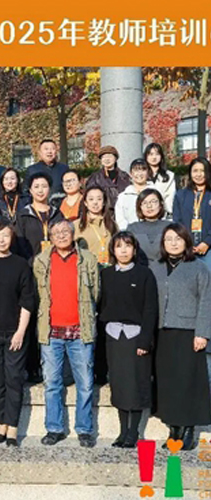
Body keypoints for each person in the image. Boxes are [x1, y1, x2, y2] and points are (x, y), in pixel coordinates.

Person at [33, 219, 99, 448]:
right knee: (52, 382)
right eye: (56, 232)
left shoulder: (88, 259)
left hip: (81, 330)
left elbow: (96, 292)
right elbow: (39, 294)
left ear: (73, 234)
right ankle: (54, 428)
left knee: (85, 383)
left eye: (65, 231)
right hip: (51, 331)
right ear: (50, 237)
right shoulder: (41, 261)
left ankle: (84, 429)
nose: (61, 235)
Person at [150, 224, 211, 450]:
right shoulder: (156, 267)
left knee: (187, 382)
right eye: (168, 239)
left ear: (186, 241)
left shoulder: (198, 268)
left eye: (178, 239)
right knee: (168, 382)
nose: (173, 243)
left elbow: (206, 301)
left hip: (188, 332)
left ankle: (187, 430)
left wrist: (202, 333)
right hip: (162, 331)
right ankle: (173, 429)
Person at [0, 221, 36, 447]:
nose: (2, 240)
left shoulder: (20, 265)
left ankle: (12, 426)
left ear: (12, 238)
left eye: (6, 236)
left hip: (14, 331)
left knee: (13, 379)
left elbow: (27, 301)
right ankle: (1, 422)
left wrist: (20, 331)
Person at [98, 232, 157, 448]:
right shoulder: (106, 275)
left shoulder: (144, 274)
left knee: (137, 383)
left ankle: (134, 432)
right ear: (113, 250)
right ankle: (122, 431)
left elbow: (150, 309)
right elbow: (102, 304)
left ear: (135, 249)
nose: (123, 250)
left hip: (136, 336)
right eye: (119, 246)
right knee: (119, 384)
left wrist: (144, 340)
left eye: (128, 246)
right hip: (114, 336)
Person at [15, 172, 64, 263]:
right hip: (30, 263)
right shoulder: (23, 215)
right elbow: (20, 243)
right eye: (36, 187)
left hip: (56, 262)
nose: (40, 190)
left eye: (44, 186)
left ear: (49, 189)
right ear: (30, 190)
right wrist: (31, 261)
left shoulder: (57, 214)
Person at [173, 157, 211, 268]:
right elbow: (177, 221)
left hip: (208, 248)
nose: (198, 174)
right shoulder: (181, 195)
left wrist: (207, 242)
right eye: (195, 171)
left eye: (202, 171)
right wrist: (186, 242)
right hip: (186, 247)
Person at [74, 186, 118, 266]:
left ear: (104, 202)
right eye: (91, 199)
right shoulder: (76, 226)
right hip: (87, 269)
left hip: (109, 268)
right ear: (85, 203)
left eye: (99, 199)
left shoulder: (113, 225)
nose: (95, 202)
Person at [128, 189, 168, 266]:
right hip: (140, 269)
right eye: (144, 203)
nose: (149, 206)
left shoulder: (170, 227)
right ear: (139, 207)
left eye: (153, 202)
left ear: (161, 204)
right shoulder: (132, 228)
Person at [24, 139, 69, 203]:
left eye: (52, 149)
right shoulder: (32, 170)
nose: (49, 151)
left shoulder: (64, 168)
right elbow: (25, 192)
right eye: (46, 149)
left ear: (56, 151)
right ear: (40, 152)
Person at [115, 159, 154, 230]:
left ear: (148, 173)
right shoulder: (123, 196)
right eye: (136, 170)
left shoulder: (156, 192)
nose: (139, 174)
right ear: (131, 174)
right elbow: (120, 218)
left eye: (143, 170)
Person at [145, 143, 176, 216]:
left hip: (163, 213)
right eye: (151, 154)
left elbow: (170, 196)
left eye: (157, 154)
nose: (154, 157)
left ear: (161, 156)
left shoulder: (169, 175)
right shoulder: (142, 174)